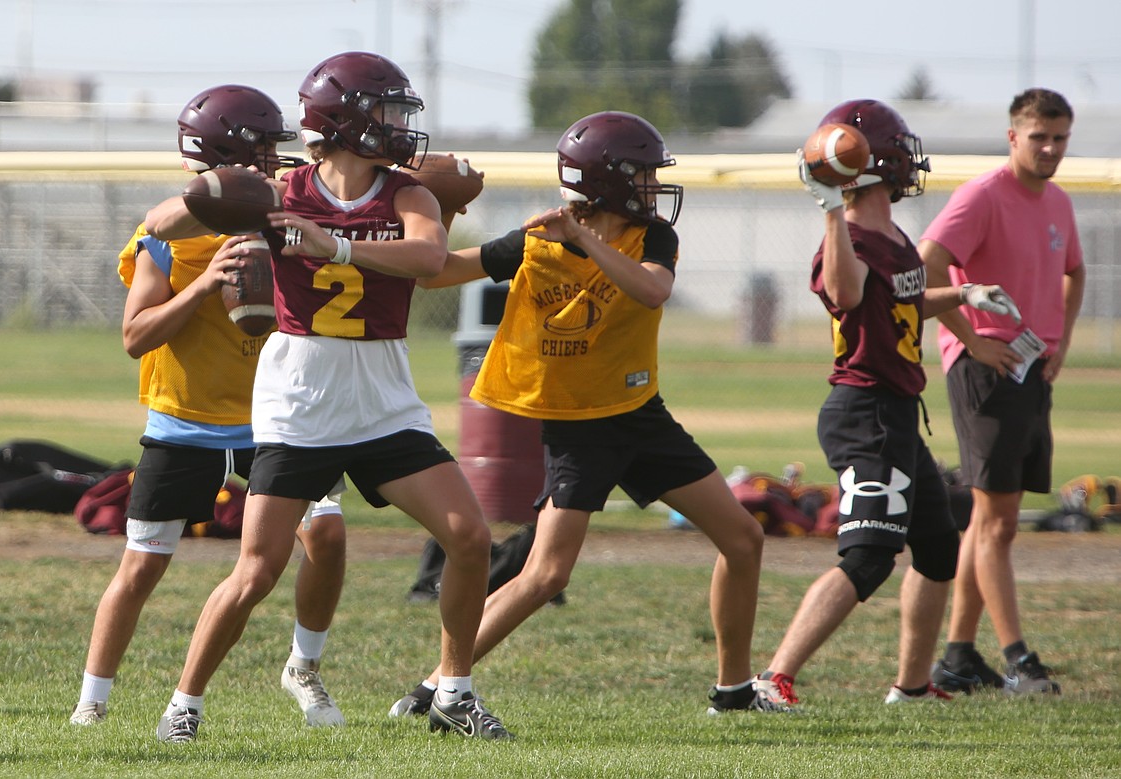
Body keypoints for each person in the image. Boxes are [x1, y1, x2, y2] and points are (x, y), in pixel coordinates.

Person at [154, 52, 510, 743]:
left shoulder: (409, 194)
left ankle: (454, 691)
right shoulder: (281, 188)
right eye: (387, 112)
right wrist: (224, 193)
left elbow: (429, 258)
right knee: (258, 568)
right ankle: (184, 703)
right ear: (345, 122)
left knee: (469, 537)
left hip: (382, 398)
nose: (401, 126)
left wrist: (333, 246)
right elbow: (168, 220)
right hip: (301, 400)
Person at [387, 110, 769, 721]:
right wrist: (438, 217)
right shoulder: (535, 241)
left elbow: (651, 289)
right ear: (608, 181)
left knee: (743, 538)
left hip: (639, 413)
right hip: (581, 425)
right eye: (641, 175)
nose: (651, 188)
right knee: (546, 575)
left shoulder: (652, 240)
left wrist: (585, 239)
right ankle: (435, 687)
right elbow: (442, 274)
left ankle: (733, 694)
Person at [70, 85, 348, 730]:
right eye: (263, 150)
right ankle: (93, 702)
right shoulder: (164, 234)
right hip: (185, 420)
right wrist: (204, 283)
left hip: (279, 417)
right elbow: (136, 337)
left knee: (328, 536)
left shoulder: (288, 217)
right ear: (230, 154)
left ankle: (303, 668)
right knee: (142, 566)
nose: (275, 162)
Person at [752, 99, 1023, 709]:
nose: (909, 161)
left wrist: (963, 292)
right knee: (870, 557)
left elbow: (900, 301)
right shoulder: (844, 237)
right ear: (871, 160)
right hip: (864, 410)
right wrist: (829, 210)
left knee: (936, 547)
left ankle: (912, 686)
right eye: (898, 149)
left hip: (896, 412)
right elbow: (847, 295)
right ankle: (776, 678)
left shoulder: (892, 235)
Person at [920, 88, 1085, 696]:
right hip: (987, 369)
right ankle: (1018, 657)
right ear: (1013, 137)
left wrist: (1061, 340)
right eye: (1038, 137)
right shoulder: (983, 195)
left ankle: (958, 657)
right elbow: (928, 262)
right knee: (996, 523)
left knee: (995, 523)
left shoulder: (1060, 202)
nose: (1049, 149)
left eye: (1060, 138)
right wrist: (971, 339)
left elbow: (1075, 271)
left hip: (1031, 369)